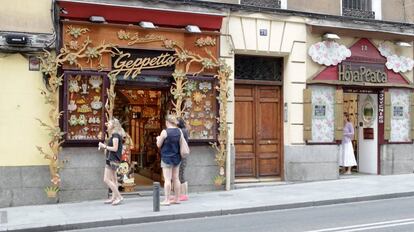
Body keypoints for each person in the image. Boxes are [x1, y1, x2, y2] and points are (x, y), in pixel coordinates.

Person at [156, 114, 181, 206]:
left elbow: (159, 145)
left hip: (166, 158)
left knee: (167, 179)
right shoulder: (179, 131)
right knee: (176, 178)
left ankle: (167, 200)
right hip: (177, 157)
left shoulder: (164, 132)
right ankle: (177, 198)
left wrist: (158, 139)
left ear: (167, 122)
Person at [98, 118, 125, 205]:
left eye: (109, 124)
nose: (107, 125)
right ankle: (114, 197)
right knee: (113, 179)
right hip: (112, 159)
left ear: (113, 126)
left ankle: (119, 196)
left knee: (106, 179)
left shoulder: (115, 135)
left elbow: (115, 148)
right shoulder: (115, 135)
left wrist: (104, 146)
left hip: (112, 159)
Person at [177, 118, 189, 201]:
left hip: (181, 155)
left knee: (181, 174)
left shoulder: (181, 131)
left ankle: (184, 194)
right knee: (181, 174)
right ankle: (183, 194)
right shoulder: (185, 130)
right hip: (183, 154)